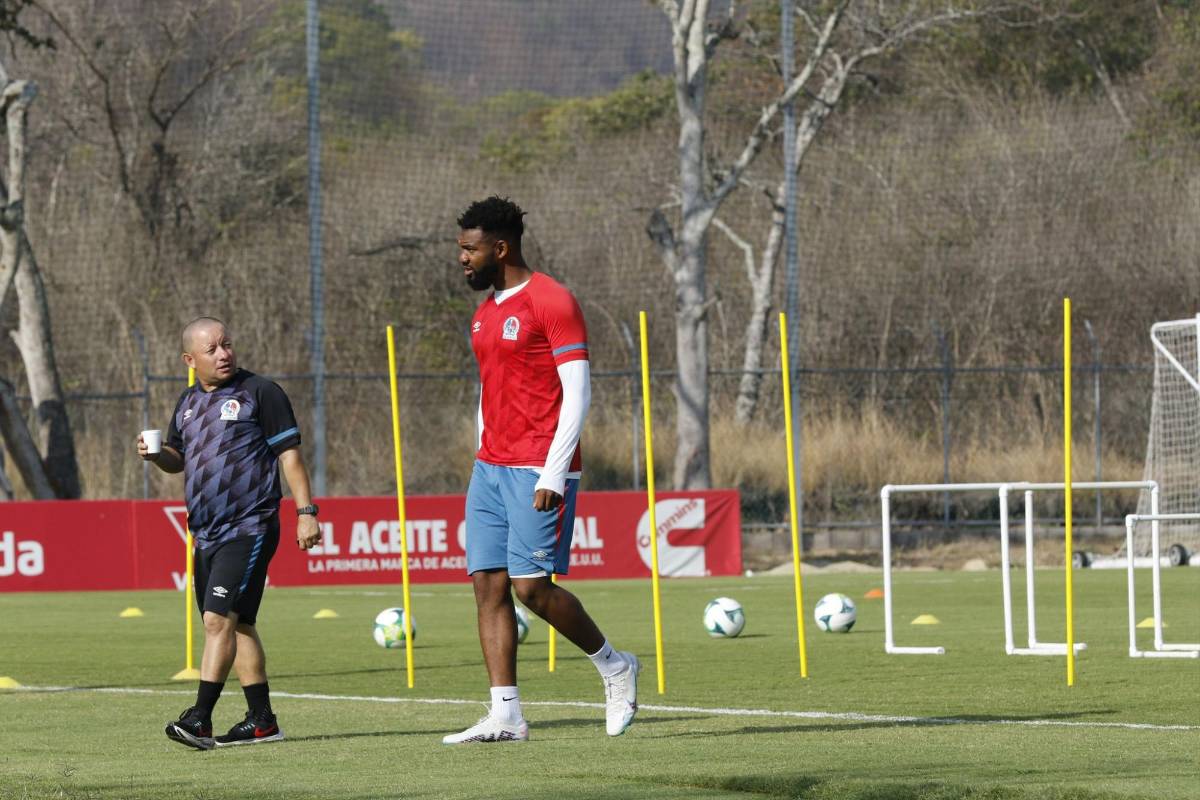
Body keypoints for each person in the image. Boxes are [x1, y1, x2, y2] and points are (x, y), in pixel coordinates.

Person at [442, 196, 639, 745]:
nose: (461, 257)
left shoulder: (552, 300)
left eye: (469, 248)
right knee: (488, 585)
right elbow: (490, 390)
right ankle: (505, 715)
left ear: (499, 248)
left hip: (538, 467)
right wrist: (482, 449)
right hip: (490, 468)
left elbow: (577, 391)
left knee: (531, 588)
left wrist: (554, 471)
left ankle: (614, 665)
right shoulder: (485, 312)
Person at [138, 317, 321, 750]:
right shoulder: (186, 402)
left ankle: (199, 719)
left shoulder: (261, 392)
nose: (224, 354)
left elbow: (290, 457)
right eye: (212, 349)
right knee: (239, 625)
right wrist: (155, 455)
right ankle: (262, 722)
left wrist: (306, 512)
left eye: (227, 344)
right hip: (206, 532)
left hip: (251, 524)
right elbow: (177, 459)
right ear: (189, 360)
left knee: (217, 619)